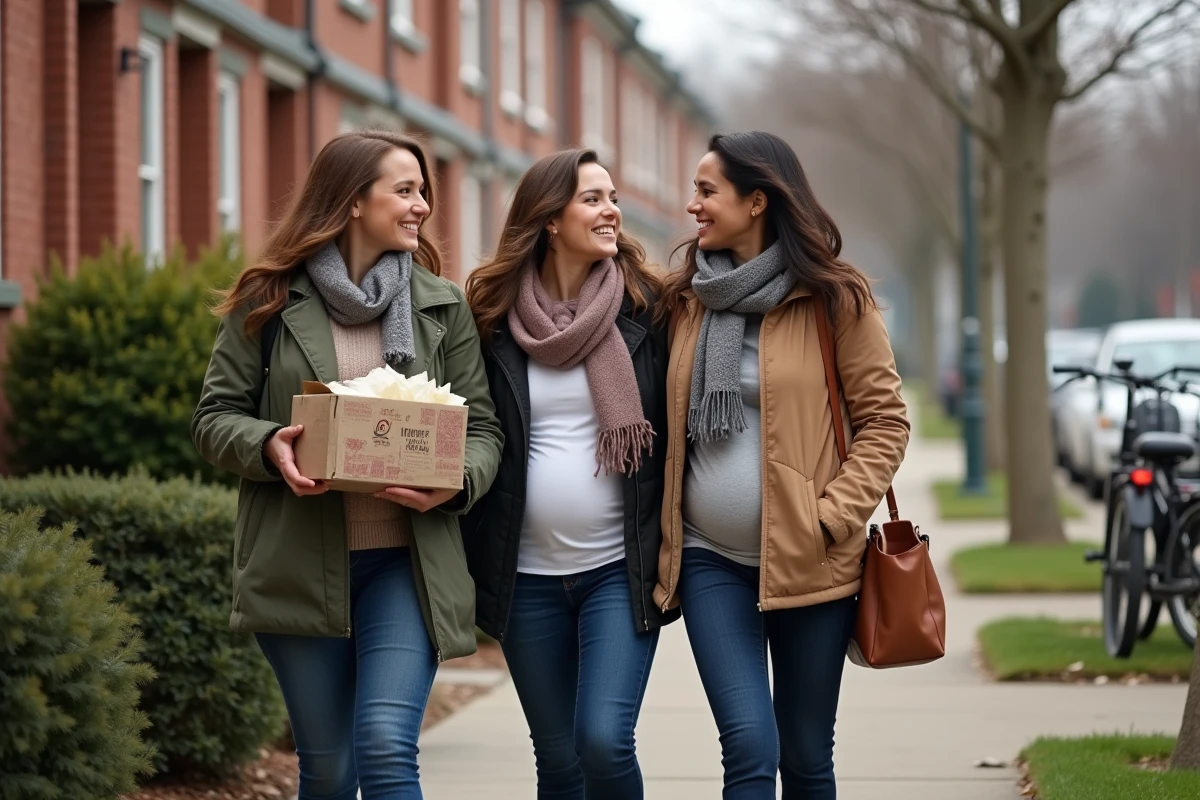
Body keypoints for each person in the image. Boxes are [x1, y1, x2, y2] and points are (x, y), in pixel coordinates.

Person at [192, 130, 502, 800]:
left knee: (388, 748)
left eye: (425, 191)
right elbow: (214, 419)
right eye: (406, 190)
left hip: (407, 563)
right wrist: (272, 444)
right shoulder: (267, 300)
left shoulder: (442, 306)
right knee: (329, 772)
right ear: (353, 200)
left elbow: (483, 429)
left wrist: (451, 483)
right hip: (300, 562)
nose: (422, 205)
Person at [654, 131, 910, 800]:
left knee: (803, 755)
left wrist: (832, 517)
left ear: (758, 200)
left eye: (707, 191)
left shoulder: (835, 300)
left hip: (814, 564)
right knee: (747, 747)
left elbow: (886, 422)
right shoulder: (685, 298)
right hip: (712, 561)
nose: (692, 205)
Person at [462, 148, 678, 800]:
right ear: (549, 218)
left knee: (604, 742)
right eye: (592, 198)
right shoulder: (492, 318)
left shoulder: (648, 309)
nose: (611, 210)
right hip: (525, 579)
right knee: (557, 762)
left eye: (611, 197)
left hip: (618, 569)